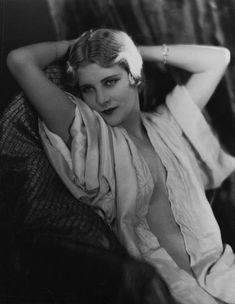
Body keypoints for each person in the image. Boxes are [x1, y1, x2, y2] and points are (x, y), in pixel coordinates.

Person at [6, 28, 235, 304]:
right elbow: (20, 61)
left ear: (134, 78)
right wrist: (72, 46)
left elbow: (218, 59)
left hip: (224, 276)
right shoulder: (91, 139)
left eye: (110, 81)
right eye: (88, 89)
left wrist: (136, 51)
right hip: (167, 293)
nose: (101, 99)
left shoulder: (171, 124)